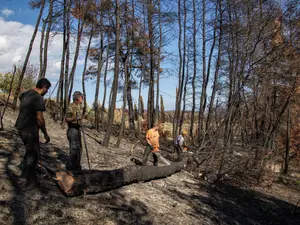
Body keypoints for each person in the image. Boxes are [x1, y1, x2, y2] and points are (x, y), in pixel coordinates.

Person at [15, 78, 51, 187]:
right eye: (47, 89)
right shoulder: (38, 98)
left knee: (30, 151)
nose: (47, 91)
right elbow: (40, 118)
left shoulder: (26, 94)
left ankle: (24, 171)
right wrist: (45, 133)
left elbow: (20, 97)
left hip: (20, 127)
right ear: (44, 87)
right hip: (29, 130)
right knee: (33, 155)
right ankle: (29, 180)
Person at [65, 91, 84, 171]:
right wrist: (76, 118)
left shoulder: (78, 106)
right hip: (72, 130)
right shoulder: (71, 106)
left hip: (77, 129)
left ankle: (77, 166)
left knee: (79, 148)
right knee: (74, 149)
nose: (82, 99)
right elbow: (67, 119)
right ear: (77, 98)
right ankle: (70, 167)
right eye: (81, 97)